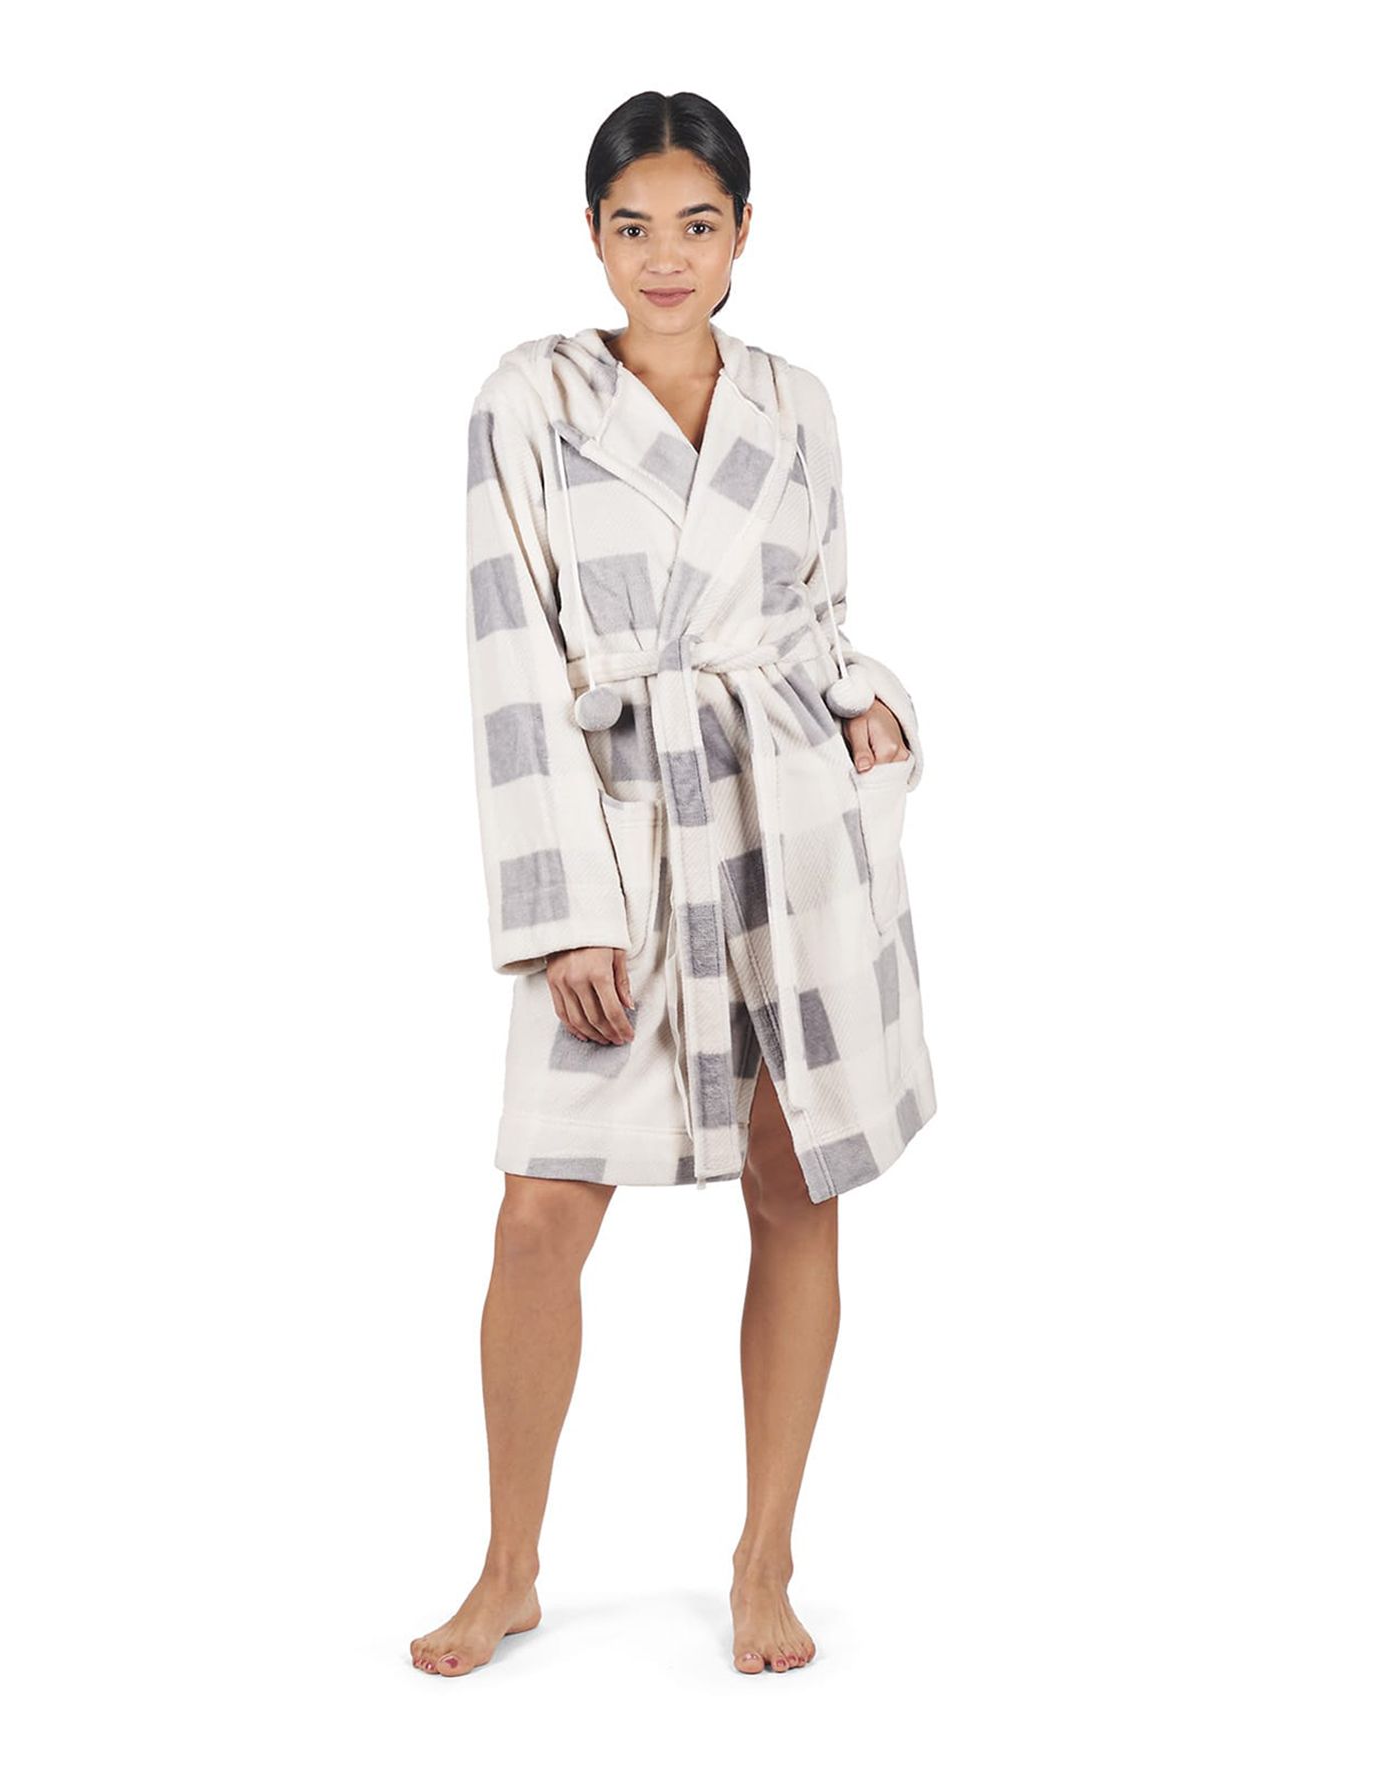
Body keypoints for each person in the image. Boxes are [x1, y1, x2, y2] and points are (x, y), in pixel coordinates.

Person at [415, 90, 936, 1678]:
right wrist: (566, 909)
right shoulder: (530, 399)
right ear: (592, 236)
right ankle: (509, 1567)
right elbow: (511, 654)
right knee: (538, 1213)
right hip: (624, 840)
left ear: (744, 233)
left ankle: (764, 1560)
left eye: (697, 225)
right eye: (633, 226)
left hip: (791, 824)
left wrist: (868, 707)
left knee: (795, 1181)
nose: (665, 257)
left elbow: (821, 607)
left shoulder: (798, 403)